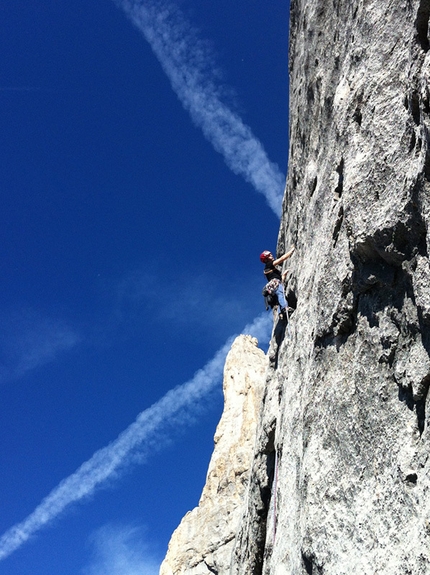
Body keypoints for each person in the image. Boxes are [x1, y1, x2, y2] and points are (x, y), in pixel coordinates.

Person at [260, 246, 295, 318]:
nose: (271, 255)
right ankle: (285, 308)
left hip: (273, 285)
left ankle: (280, 313)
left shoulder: (270, 270)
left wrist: (284, 275)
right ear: (266, 259)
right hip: (274, 283)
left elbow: (281, 280)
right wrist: (291, 251)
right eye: (269, 255)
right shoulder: (269, 264)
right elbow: (282, 259)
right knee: (280, 294)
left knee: (279, 297)